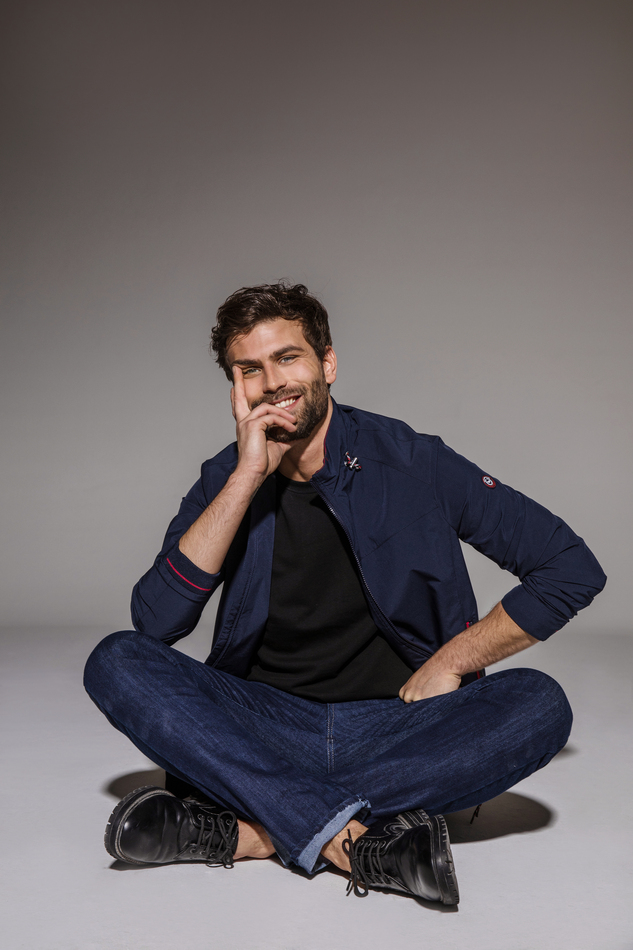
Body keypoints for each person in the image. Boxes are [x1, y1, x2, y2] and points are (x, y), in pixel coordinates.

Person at [84, 281, 606, 903]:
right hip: (265, 723)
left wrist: (454, 659)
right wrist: (248, 476)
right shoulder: (225, 477)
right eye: (249, 369)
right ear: (234, 387)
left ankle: (256, 830)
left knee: (541, 705)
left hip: (400, 724)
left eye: (287, 358)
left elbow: (568, 566)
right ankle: (354, 838)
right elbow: (155, 623)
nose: (271, 383)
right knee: (114, 660)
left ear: (327, 363)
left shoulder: (413, 461)